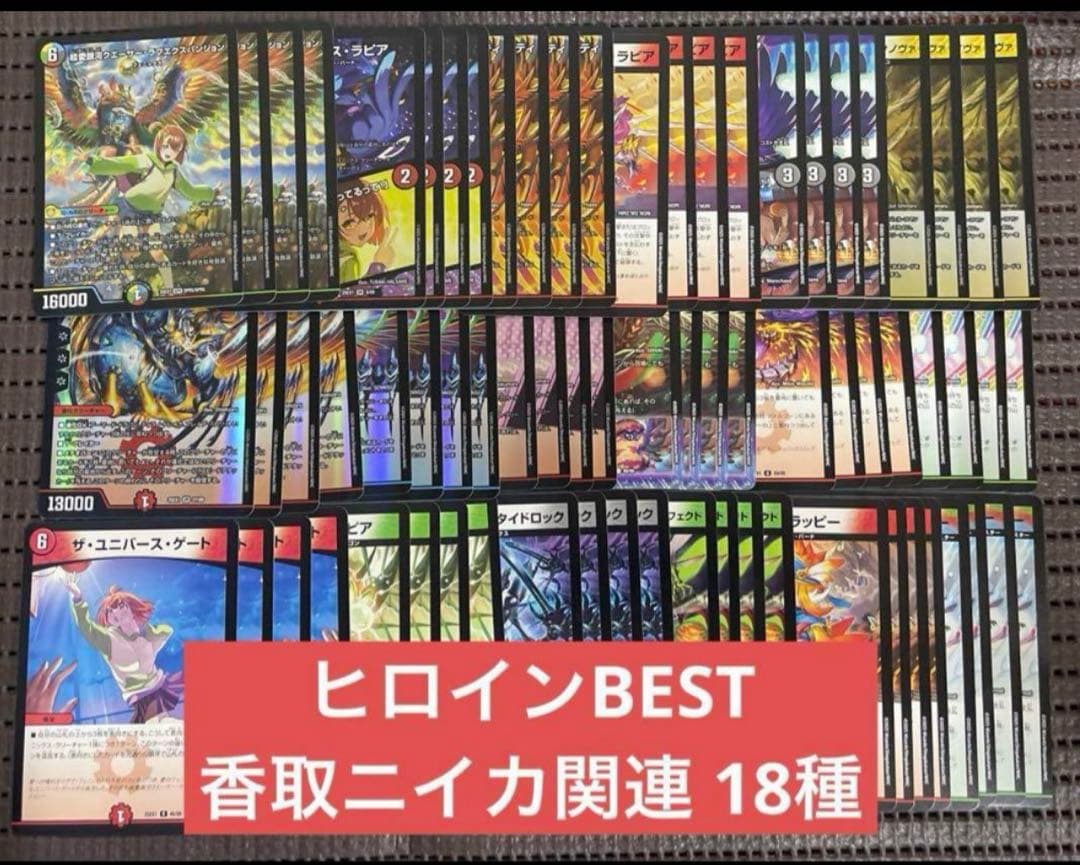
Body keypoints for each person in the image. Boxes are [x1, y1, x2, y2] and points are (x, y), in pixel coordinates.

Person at [65, 577, 181, 723]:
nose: (116, 611)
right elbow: (86, 627)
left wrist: (147, 631)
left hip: (157, 688)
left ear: (131, 609)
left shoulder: (146, 635)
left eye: (120, 605)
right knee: (152, 725)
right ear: (108, 619)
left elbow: (165, 632)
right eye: (110, 610)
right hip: (139, 696)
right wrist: (77, 598)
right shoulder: (109, 640)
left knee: (159, 722)